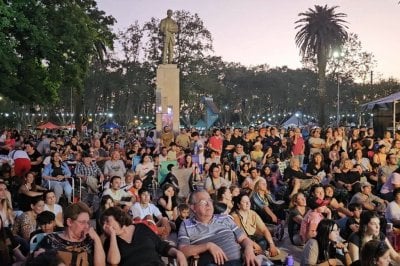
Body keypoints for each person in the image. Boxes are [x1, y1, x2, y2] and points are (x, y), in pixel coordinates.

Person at [177, 190, 257, 266]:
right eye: (203, 202)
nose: (208, 204)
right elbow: (183, 250)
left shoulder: (225, 218)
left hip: (240, 261)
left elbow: (243, 239)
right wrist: (208, 246)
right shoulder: (186, 225)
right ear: (193, 207)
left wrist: (249, 249)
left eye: (210, 200)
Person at [101, 206, 187, 266]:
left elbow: (161, 245)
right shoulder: (111, 242)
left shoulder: (141, 228)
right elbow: (113, 261)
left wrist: (178, 253)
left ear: (118, 218)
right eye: (103, 224)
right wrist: (112, 235)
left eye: (107, 221)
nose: (105, 226)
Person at [33, 202, 105, 266]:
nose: (87, 226)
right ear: (69, 222)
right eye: (82, 222)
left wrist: (96, 239)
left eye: (88, 222)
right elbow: (37, 259)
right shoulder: (51, 240)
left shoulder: (90, 240)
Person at [231, 192, 280, 259]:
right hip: (243, 242)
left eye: (248, 201)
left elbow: (264, 229)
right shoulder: (235, 216)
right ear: (239, 205)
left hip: (254, 238)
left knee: (269, 242)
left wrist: (272, 245)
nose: (248, 204)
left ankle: (263, 254)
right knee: (261, 244)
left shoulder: (252, 213)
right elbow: (241, 235)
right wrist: (254, 244)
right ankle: (262, 255)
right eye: (244, 202)